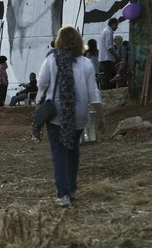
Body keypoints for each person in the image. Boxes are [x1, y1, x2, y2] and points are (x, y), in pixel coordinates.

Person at [37, 25, 105, 207]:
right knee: (73, 150)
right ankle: (72, 188)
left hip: (56, 113)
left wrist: (45, 95)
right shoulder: (86, 63)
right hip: (79, 114)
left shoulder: (52, 59)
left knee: (59, 153)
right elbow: (93, 92)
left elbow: (42, 82)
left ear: (59, 41)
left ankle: (63, 194)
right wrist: (101, 116)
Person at [98, 18, 120, 89]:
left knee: (106, 76)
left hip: (103, 57)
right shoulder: (109, 32)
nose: (117, 27)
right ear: (113, 24)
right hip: (107, 58)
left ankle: (105, 89)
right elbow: (109, 47)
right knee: (107, 77)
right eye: (116, 25)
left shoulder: (104, 31)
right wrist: (116, 56)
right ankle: (106, 89)